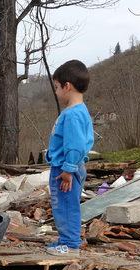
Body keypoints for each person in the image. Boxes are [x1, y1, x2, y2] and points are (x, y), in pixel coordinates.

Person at [45, 60, 94, 256]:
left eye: (57, 87)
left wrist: (67, 170)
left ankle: (70, 244)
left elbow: (75, 145)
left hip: (65, 169)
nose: (56, 92)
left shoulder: (72, 115)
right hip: (71, 166)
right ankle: (68, 238)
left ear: (67, 86)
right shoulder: (80, 111)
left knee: (64, 205)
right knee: (68, 204)